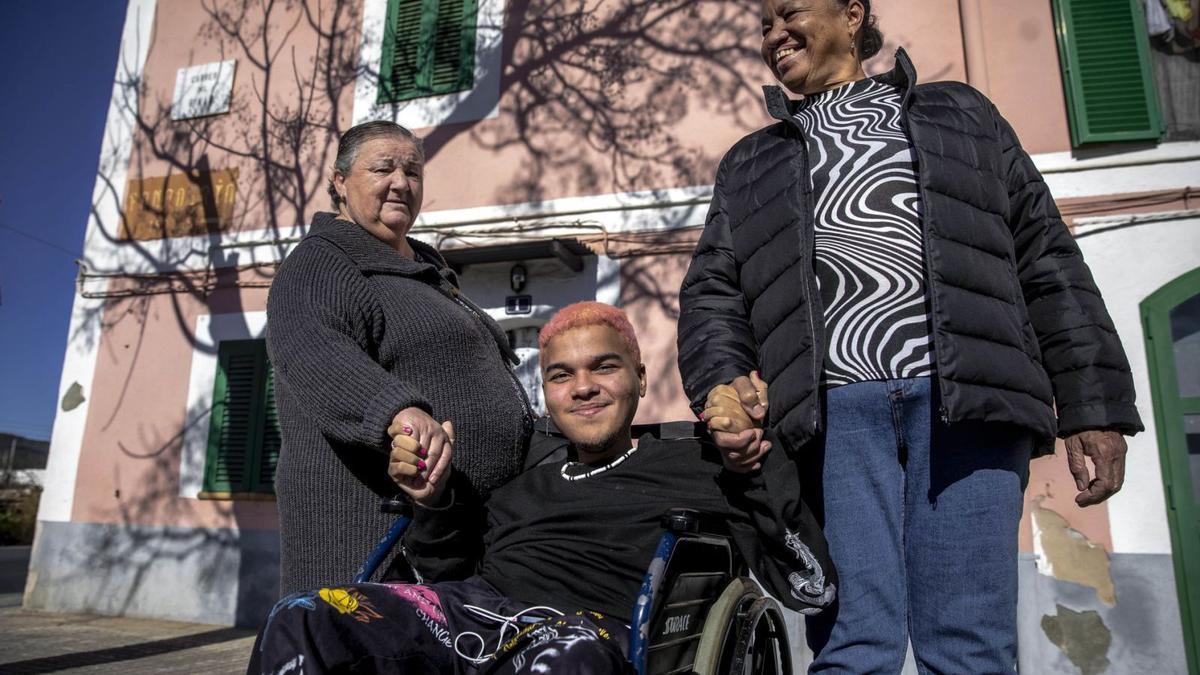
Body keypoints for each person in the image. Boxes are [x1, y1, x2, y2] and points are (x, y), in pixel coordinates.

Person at [676, 1, 1144, 672]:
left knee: (969, 646)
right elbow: (713, 292)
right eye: (762, 25)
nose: (773, 34)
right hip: (832, 421)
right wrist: (723, 381)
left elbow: (1045, 255)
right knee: (853, 646)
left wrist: (1092, 404)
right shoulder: (752, 162)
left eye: (790, 13)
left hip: (969, 407)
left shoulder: (962, 114)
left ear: (851, 14)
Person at [250, 302, 835, 674]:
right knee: (304, 615)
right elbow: (447, 571)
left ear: (639, 377)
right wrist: (431, 498)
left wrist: (756, 464)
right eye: (562, 375)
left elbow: (809, 587)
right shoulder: (521, 481)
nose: (583, 388)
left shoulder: (698, 464)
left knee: (564, 660)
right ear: (548, 394)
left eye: (603, 367)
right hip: (470, 617)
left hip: (587, 636)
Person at [266, 120, 533, 595]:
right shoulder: (322, 264)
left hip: (459, 528)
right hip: (375, 534)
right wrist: (395, 410)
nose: (400, 183)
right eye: (382, 168)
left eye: (413, 172)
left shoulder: (425, 270)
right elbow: (315, 353)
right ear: (340, 182)